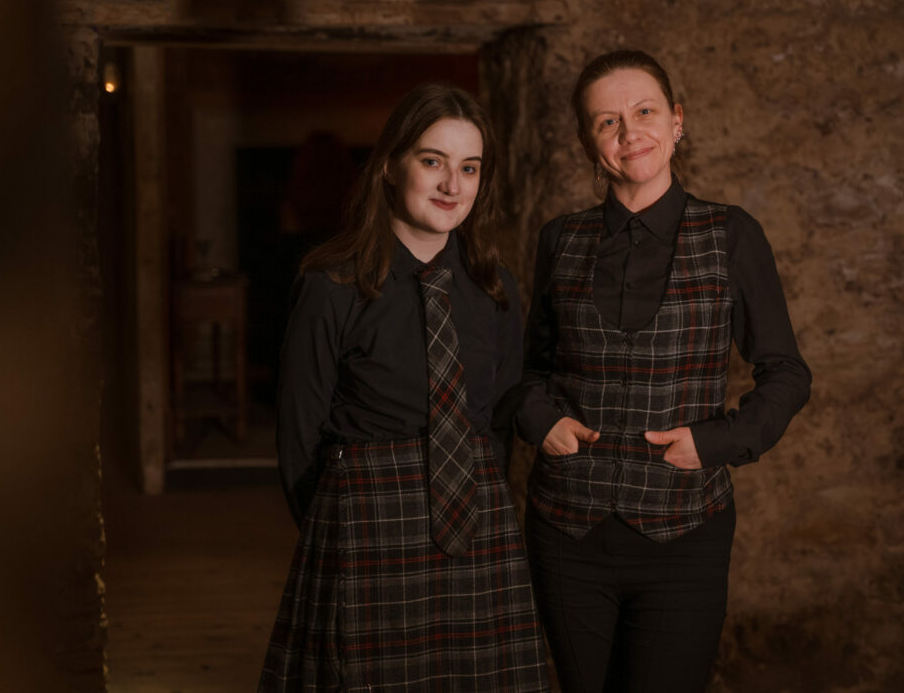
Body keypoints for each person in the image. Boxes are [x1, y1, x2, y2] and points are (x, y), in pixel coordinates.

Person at [514, 50, 812, 692]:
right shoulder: (558, 240)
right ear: (588, 143)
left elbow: (787, 372)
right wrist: (540, 419)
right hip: (567, 529)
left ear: (676, 122)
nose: (630, 133)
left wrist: (717, 442)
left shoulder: (732, 236)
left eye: (644, 111)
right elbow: (529, 369)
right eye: (607, 122)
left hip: (685, 534)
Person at [259, 83, 549, 692]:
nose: (452, 184)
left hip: (475, 518)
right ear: (391, 166)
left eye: (468, 168)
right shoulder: (331, 285)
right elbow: (298, 432)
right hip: (366, 526)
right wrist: (337, 532)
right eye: (432, 161)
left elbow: (498, 416)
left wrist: (474, 494)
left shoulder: (495, 289)